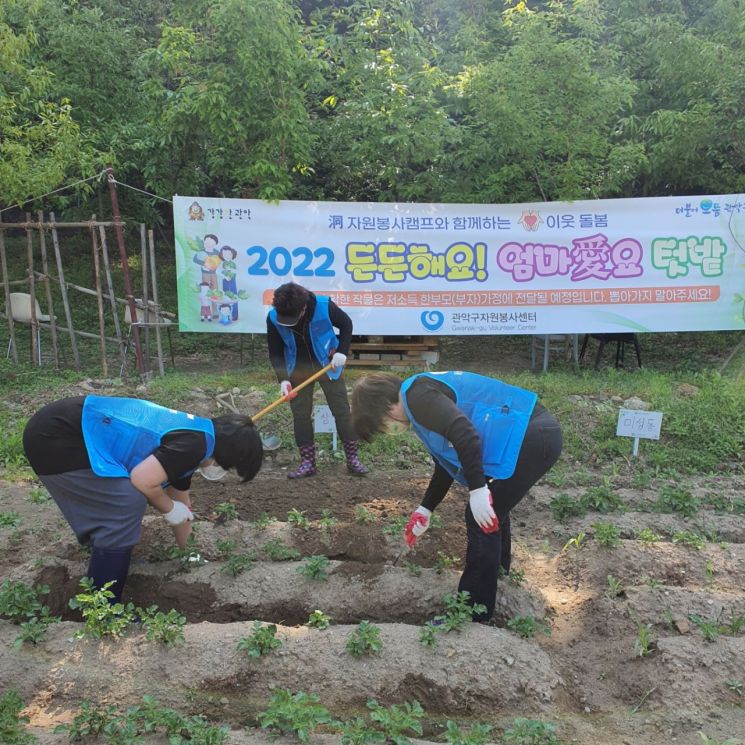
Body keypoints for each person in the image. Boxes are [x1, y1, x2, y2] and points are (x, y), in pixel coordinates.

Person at [350, 370, 562, 623]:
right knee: (492, 511)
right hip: (534, 435)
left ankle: (473, 612)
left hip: (534, 437)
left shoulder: (418, 397)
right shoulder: (417, 398)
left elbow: (464, 432)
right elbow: (448, 460)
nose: (387, 429)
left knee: (479, 516)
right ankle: (499, 575)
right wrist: (426, 508)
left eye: (381, 424)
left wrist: (478, 490)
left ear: (385, 406)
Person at [22, 395, 264, 601]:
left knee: (122, 502)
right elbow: (142, 480)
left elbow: (183, 504)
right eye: (228, 467)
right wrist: (169, 509)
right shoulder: (195, 445)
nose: (222, 470)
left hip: (59, 430)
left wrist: (189, 553)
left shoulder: (197, 438)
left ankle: (108, 558)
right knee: (126, 501)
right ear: (229, 454)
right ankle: (103, 606)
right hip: (58, 436)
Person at [267, 282, 367, 478]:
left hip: (328, 364)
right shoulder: (274, 316)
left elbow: (346, 324)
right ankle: (308, 463)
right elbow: (275, 351)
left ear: (303, 308)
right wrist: (283, 380)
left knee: (341, 410)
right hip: (297, 368)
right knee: (301, 414)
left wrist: (342, 352)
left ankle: (353, 460)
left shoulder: (323, 306)